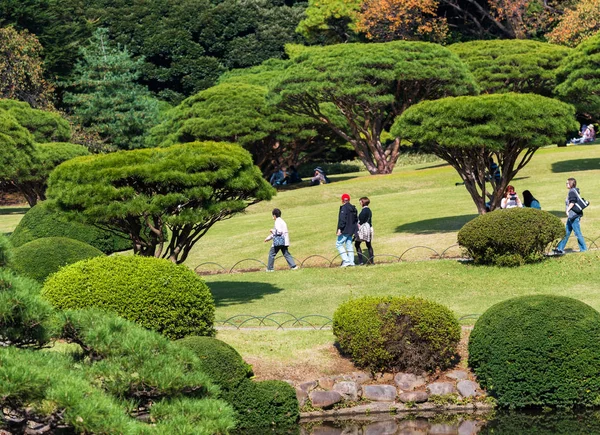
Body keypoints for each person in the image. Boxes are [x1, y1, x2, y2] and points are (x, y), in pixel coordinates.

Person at [554, 178, 587, 254]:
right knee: (566, 232)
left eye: (567, 183)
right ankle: (559, 248)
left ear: (571, 184)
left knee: (577, 233)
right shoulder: (573, 191)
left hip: (574, 216)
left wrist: (567, 210)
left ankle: (584, 249)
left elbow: (572, 202)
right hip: (571, 216)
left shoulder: (572, 192)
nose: (566, 184)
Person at [336, 193, 358, 267]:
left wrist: (340, 229)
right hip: (351, 230)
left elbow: (342, 220)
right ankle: (352, 262)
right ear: (349, 200)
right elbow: (356, 220)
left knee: (338, 244)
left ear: (342, 200)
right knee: (349, 245)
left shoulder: (344, 208)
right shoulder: (354, 208)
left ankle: (346, 260)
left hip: (345, 230)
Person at [355, 197, 374, 265]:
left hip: (364, 229)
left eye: (360, 201)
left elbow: (361, 221)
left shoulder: (363, 211)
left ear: (363, 202)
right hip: (369, 228)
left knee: (357, 244)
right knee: (368, 245)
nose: (359, 203)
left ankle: (361, 261)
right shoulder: (369, 210)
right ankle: (372, 261)